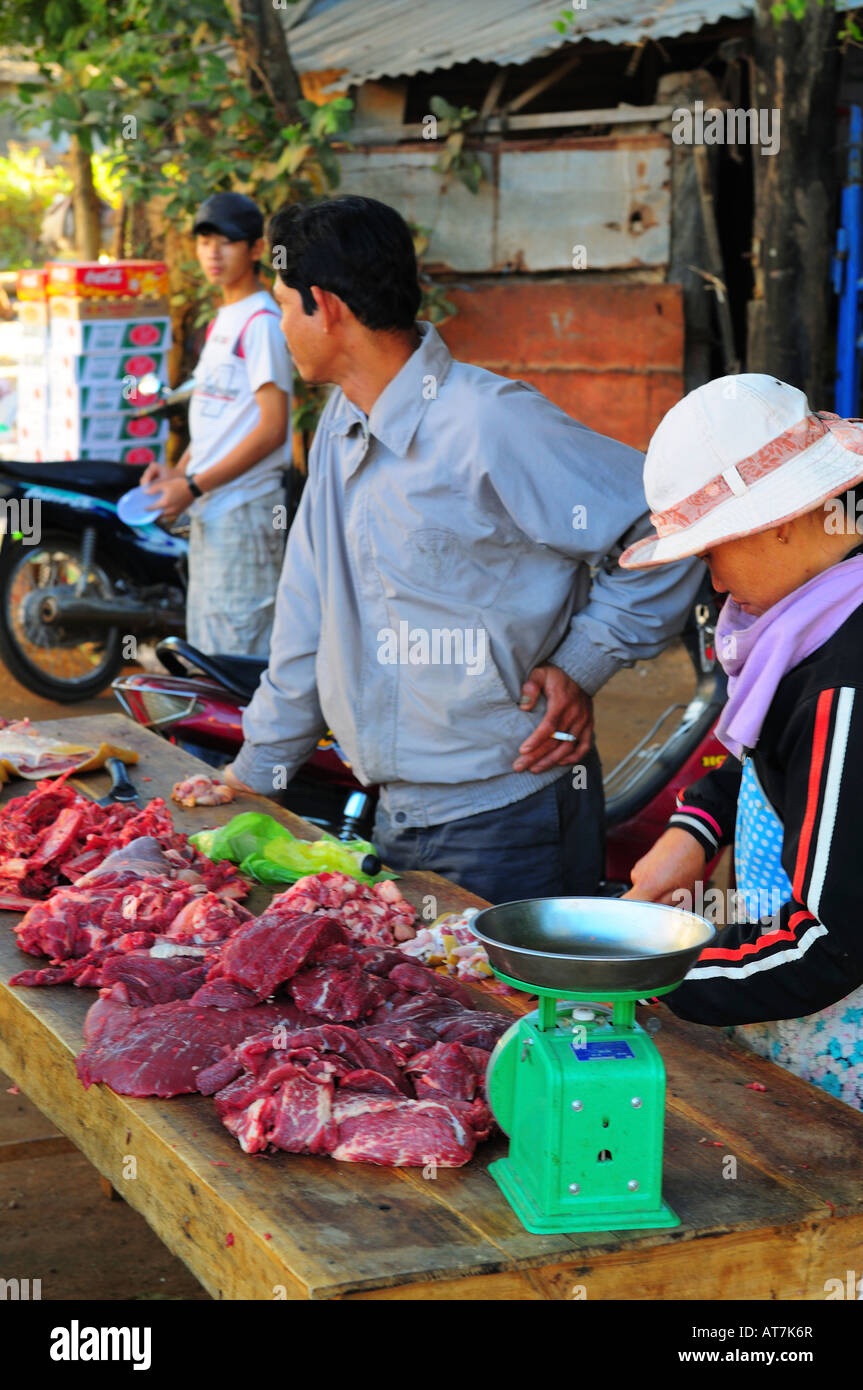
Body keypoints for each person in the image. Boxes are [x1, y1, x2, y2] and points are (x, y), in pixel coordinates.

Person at [224, 195, 702, 903]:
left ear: (323, 307)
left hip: (511, 817)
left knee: (517, 1014)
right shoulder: (340, 422)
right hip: (398, 814)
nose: (281, 327)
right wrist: (256, 770)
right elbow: (308, 603)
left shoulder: (487, 422)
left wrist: (583, 661)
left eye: (284, 307)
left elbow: (670, 526)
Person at [621, 373, 863, 1110]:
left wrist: (642, 975)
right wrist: (696, 828)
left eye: (711, 552)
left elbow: (829, 944)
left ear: (780, 521)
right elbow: (764, 749)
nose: (715, 582)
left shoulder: (845, 681)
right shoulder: (809, 623)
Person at [143, 192, 292, 657]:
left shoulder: (263, 322)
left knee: (238, 650)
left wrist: (193, 484)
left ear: (254, 250)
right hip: (213, 506)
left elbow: (272, 429)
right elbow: (216, 418)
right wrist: (177, 472)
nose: (212, 252)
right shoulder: (224, 321)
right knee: (208, 649)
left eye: (226, 241)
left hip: (245, 511)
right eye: (205, 240)